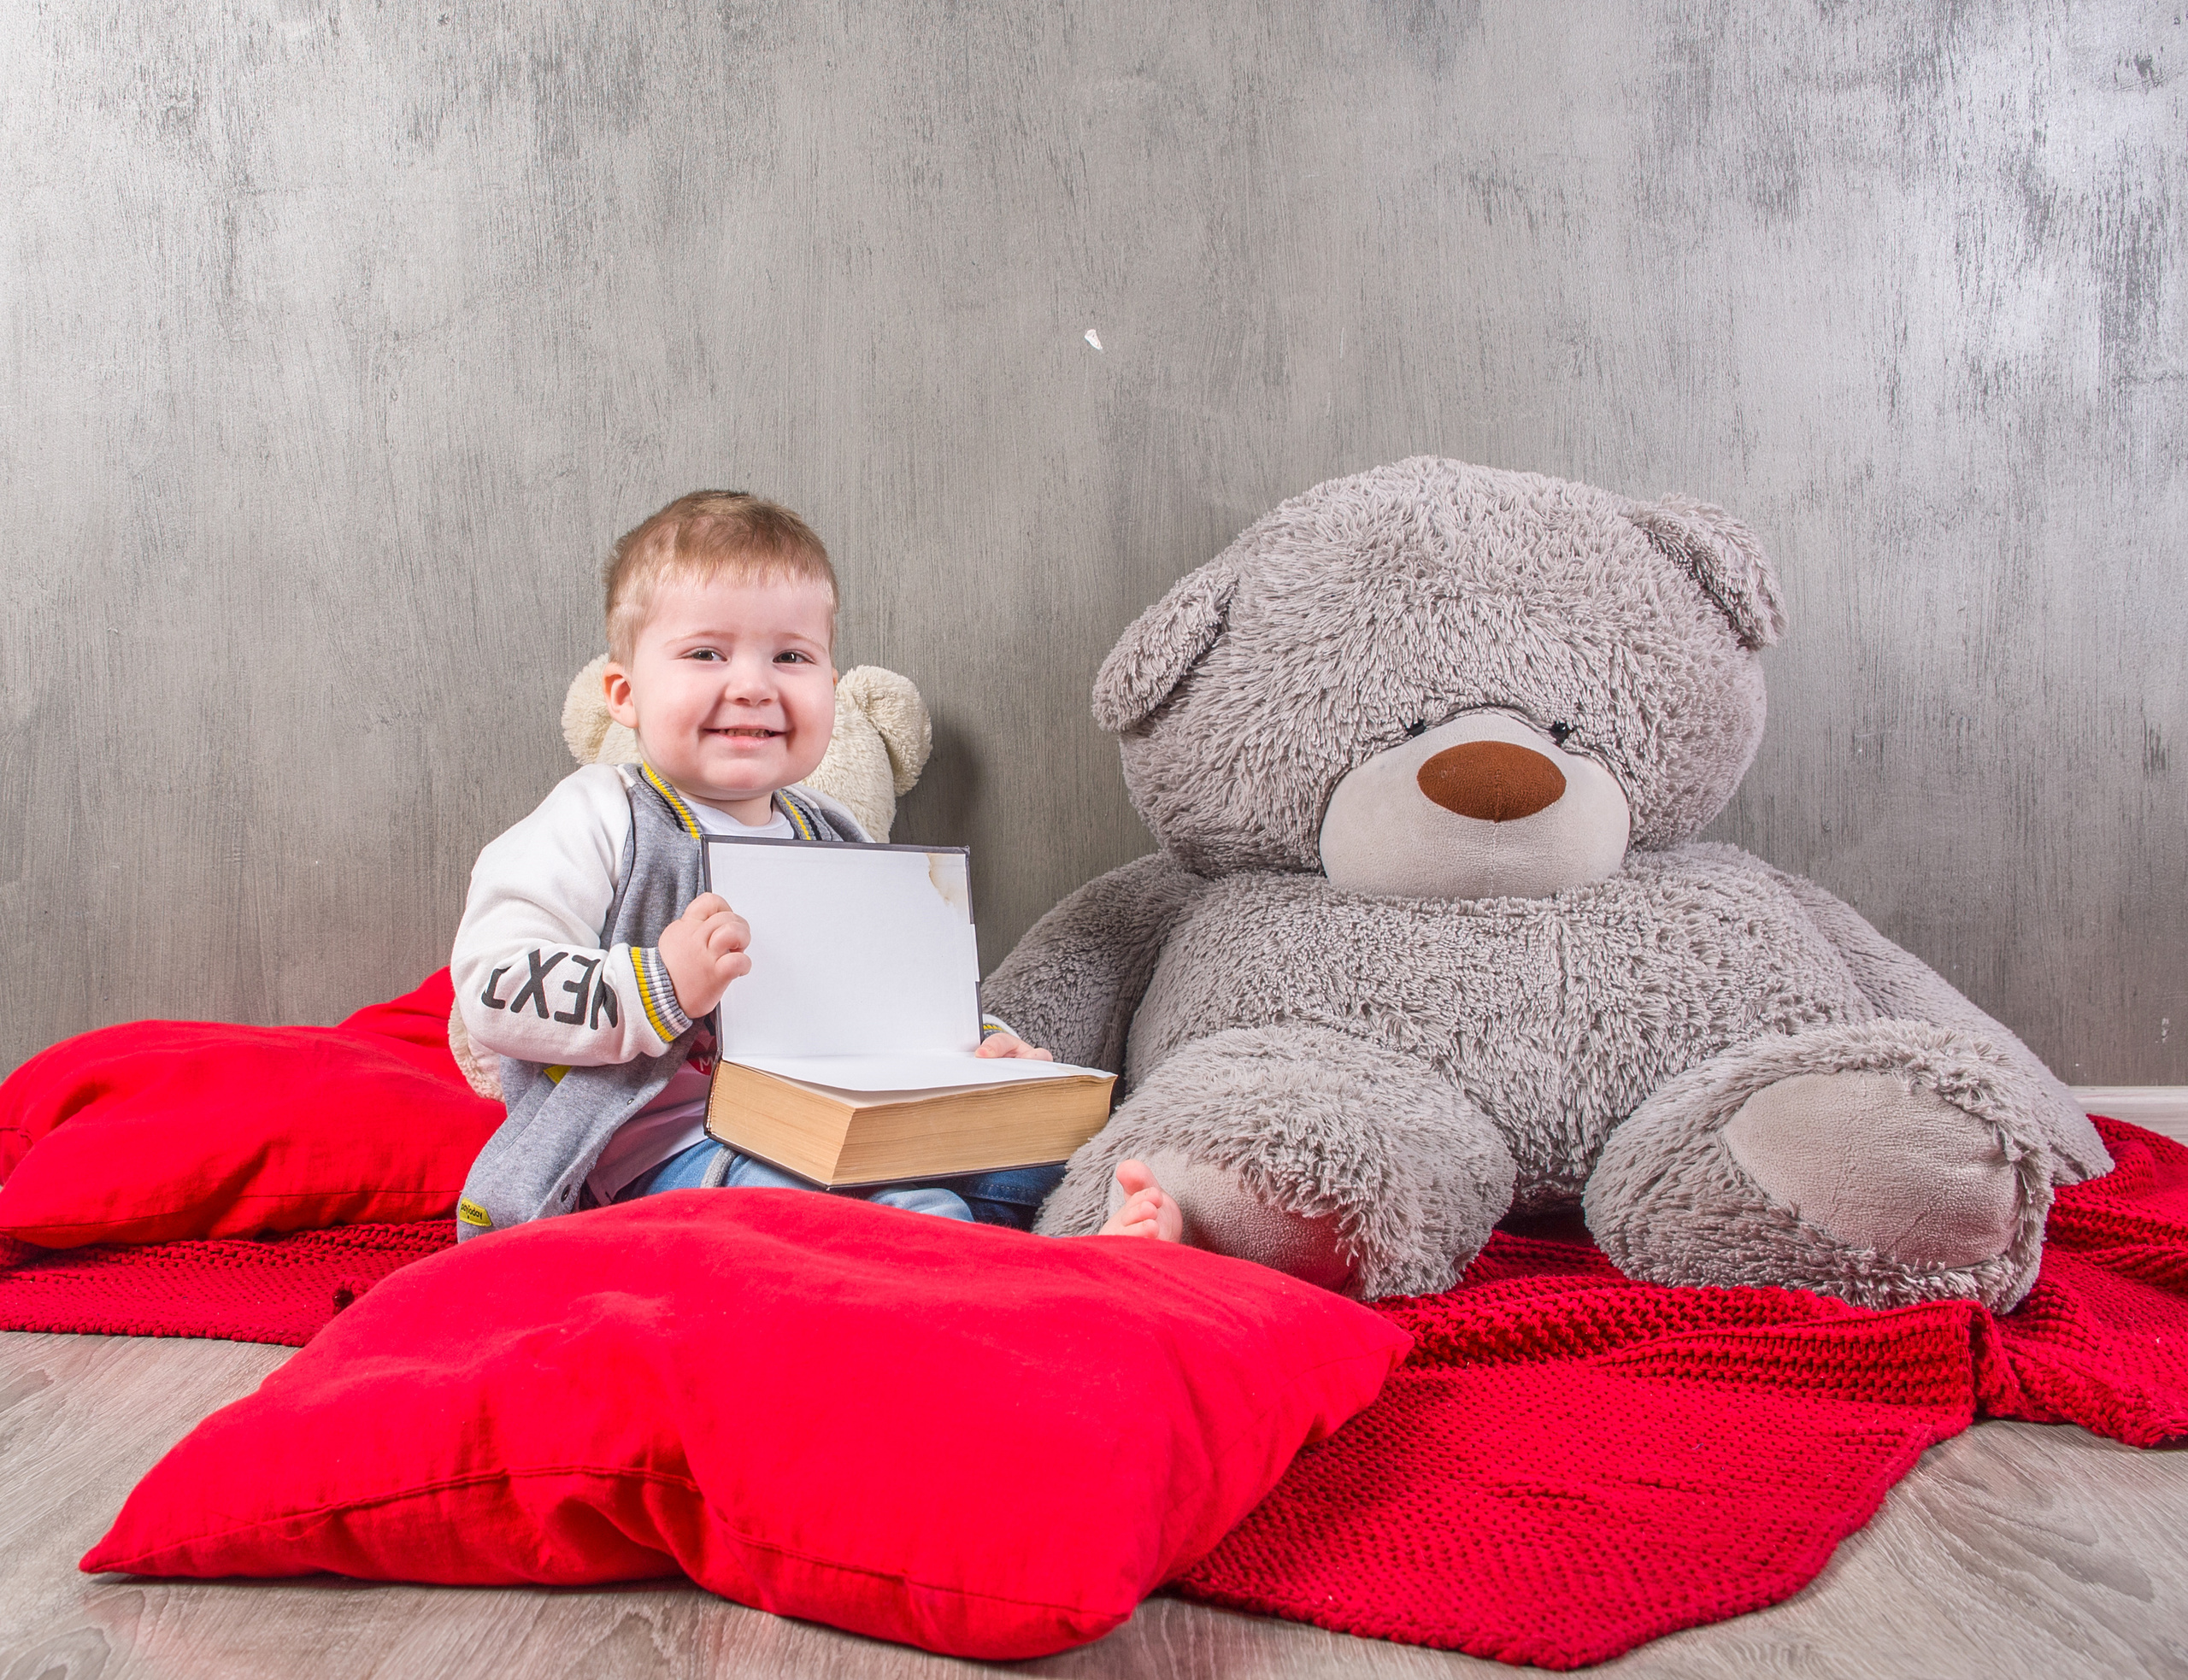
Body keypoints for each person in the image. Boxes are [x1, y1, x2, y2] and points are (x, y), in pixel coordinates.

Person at [450, 490, 1180, 1245]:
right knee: (870, 1211)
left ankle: (1088, 1250)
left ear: (829, 689)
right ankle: (1008, 1288)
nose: (755, 684)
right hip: (671, 1153)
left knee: (1046, 1163)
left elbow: (899, 990)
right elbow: (492, 987)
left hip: (846, 1127)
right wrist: (658, 986)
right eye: (707, 652)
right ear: (624, 695)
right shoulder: (600, 815)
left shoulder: (830, 830)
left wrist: (978, 1043)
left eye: (791, 657)